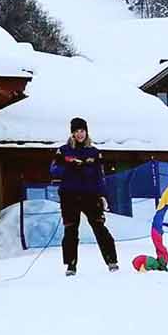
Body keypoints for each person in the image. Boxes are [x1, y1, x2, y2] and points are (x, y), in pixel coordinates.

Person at [52, 116, 118, 275]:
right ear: (72, 134)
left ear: (86, 132)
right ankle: (71, 265)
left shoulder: (94, 152)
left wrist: (103, 196)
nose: (80, 134)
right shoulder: (63, 150)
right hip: (69, 195)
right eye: (77, 131)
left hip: (90, 195)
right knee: (71, 230)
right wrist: (69, 166)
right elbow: (53, 171)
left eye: (82, 131)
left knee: (99, 227)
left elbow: (99, 176)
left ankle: (112, 261)